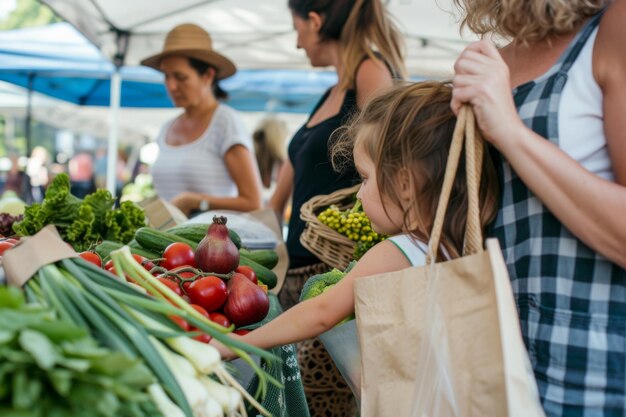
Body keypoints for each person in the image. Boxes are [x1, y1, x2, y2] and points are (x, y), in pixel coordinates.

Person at [215, 80, 499, 398]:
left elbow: (320, 313)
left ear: (404, 183)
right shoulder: (462, 249)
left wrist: (235, 344)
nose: (360, 194)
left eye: (365, 178)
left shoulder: (398, 252)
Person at [450, 1, 626, 415]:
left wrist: (509, 129)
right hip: (499, 369)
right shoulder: (499, 58)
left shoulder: (613, 28)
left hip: (594, 374)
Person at [267, 1, 406, 414]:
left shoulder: (370, 72)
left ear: (315, 21)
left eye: (297, 29)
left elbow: (392, 160)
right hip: (298, 270)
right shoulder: (334, 89)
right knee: (295, 396)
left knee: (317, 401)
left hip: (330, 273)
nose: (297, 43)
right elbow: (297, 169)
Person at [141, 23, 262, 216]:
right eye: (167, 76)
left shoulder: (225, 122)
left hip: (213, 242)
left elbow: (254, 202)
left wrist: (195, 201)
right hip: (169, 243)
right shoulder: (166, 128)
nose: (171, 86)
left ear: (207, 75)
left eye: (180, 77)